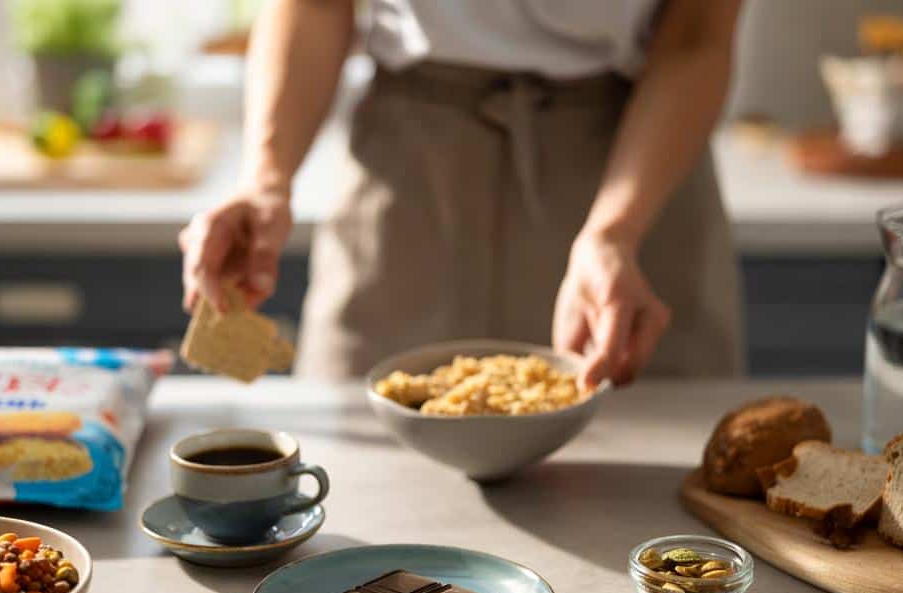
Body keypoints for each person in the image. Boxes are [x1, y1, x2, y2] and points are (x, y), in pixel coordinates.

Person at [180, 0, 744, 387]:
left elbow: (696, 35)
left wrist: (614, 233)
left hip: (634, 164)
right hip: (411, 172)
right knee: (366, 488)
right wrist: (266, 179)